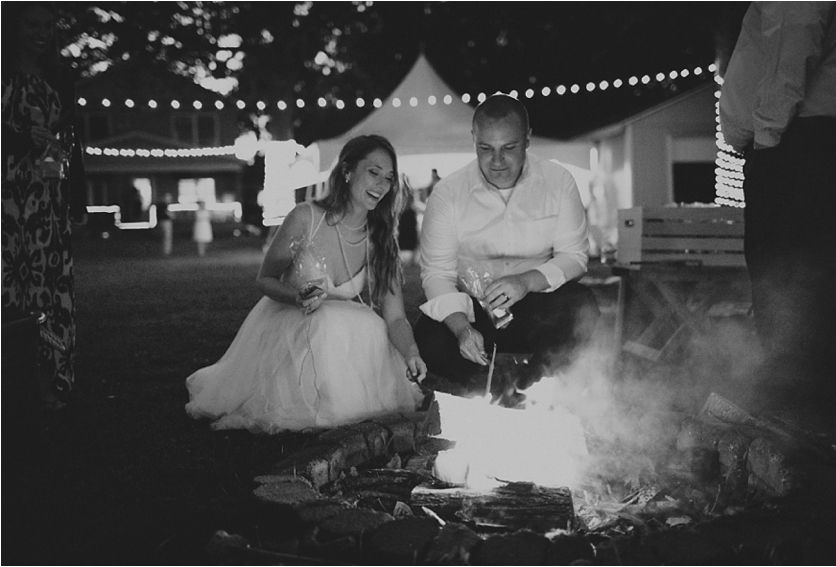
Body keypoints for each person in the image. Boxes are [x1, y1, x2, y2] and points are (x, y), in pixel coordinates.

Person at [186, 135, 426, 432]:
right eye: (373, 172)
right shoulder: (305, 218)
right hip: (292, 324)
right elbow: (266, 279)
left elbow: (396, 316)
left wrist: (412, 353)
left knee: (370, 324)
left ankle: (349, 400)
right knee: (326, 320)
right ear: (347, 171)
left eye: (388, 178)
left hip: (340, 340)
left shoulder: (379, 237)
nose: (381, 185)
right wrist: (297, 297)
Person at [414, 94, 599, 394]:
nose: (497, 161)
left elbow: (575, 257)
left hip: (536, 306)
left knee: (583, 307)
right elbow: (436, 275)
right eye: (485, 149)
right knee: (429, 335)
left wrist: (526, 282)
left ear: (527, 139)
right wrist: (461, 328)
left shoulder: (558, 181)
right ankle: (490, 389)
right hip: (475, 312)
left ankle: (533, 386)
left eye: (509, 148)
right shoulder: (448, 193)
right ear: (473, 139)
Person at [720, 2, 836, 422]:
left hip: (798, 143)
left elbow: (792, 40)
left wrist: (768, 140)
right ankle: (812, 421)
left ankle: (799, 429)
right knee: (812, 290)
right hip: (812, 141)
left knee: (790, 291)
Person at [2, 3, 87, 407]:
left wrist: (76, 198)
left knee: (47, 291)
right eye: (31, 24)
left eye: (48, 25)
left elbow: (72, 140)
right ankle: (12, 380)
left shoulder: (59, 76)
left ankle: (50, 377)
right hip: (5, 200)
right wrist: (18, 139)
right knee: (9, 288)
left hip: (46, 202)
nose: (41, 32)